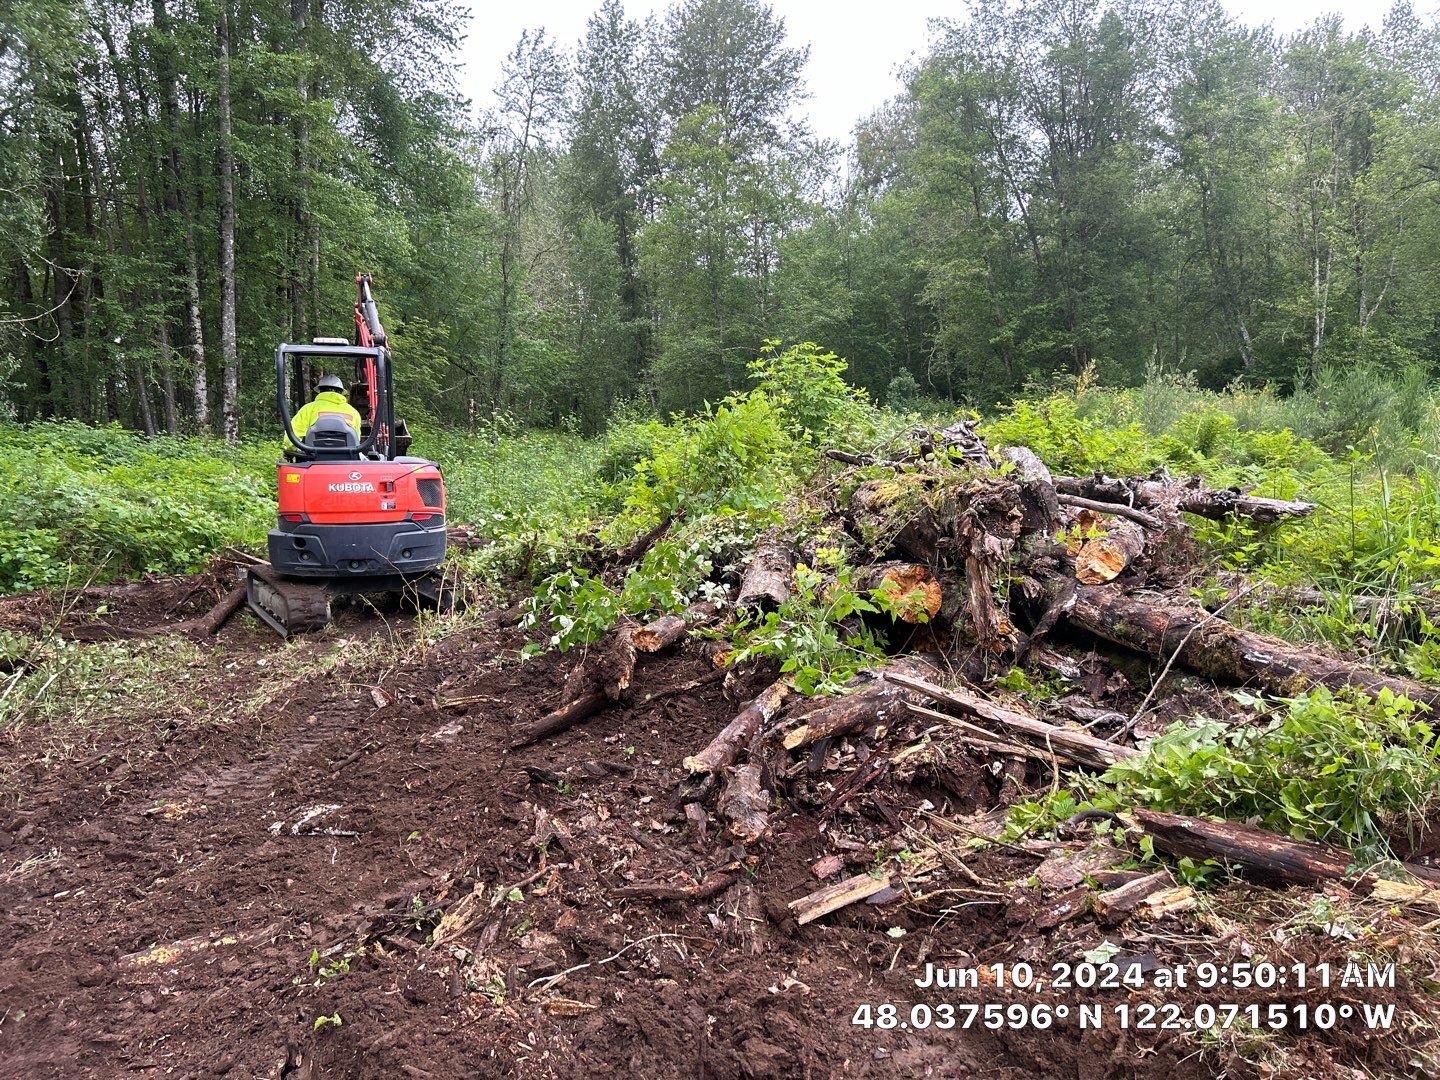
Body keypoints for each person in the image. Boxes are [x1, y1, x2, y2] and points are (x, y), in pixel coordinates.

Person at [291, 374, 361, 440]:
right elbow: (356, 439)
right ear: (341, 392)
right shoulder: (353, 412)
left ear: (320, 390)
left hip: (313, 452)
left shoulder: (307, 409)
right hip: (346, 452)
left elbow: (292, 437)